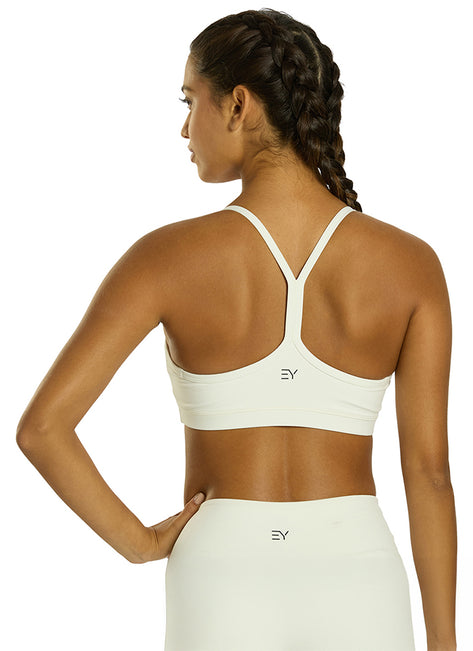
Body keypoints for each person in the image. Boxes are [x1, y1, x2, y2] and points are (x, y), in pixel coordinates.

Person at [16, 8, 457, 651]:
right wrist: (444, 644)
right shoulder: (410, 265)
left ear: (238, 105)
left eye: (189, 100)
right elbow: (430, 474)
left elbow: (42, 429)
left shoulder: (166, 257)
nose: (183, 127)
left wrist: (139, 543)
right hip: (358, 570)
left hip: (221, 571)